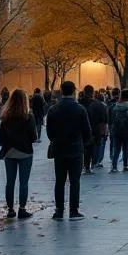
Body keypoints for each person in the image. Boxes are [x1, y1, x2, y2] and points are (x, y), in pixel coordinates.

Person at [45, 80, 92, 220]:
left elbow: (49, 132)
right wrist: (81, 142)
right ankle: (73, 210)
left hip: (59, 150)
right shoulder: (80, 109)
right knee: (74, 181)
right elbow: (87, 132)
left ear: (61, 90)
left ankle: (59, 210)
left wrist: (56, 140)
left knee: (59, 181)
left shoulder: (53, 109)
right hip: (76, 150)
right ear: (74, 91)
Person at [0, 90, 38, 218]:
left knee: (10, 182)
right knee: (23, 182)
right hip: (25, 152)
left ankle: (10, 209)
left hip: (9, 152)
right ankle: (22, 208)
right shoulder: (28, 117)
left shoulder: (6, 117)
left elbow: (0, 137)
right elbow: (34, 137)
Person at [108, 89, 128, 172]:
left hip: (116, 130)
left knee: (116, 148)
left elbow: (110, 119)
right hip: (127, 129)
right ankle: (125, 165)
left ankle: (114, 166)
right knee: (126, 148)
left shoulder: (114, 106)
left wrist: (111, 128)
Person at [84, 86, 108, 172]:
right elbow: (104, 119)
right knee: (92, 148)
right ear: (93, 92)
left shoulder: (79, 103)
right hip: (94, 130)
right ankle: (90, 166)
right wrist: (103, 132)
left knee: (84, 148)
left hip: (82, 131)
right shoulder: (99, 105)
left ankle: (85, 165)